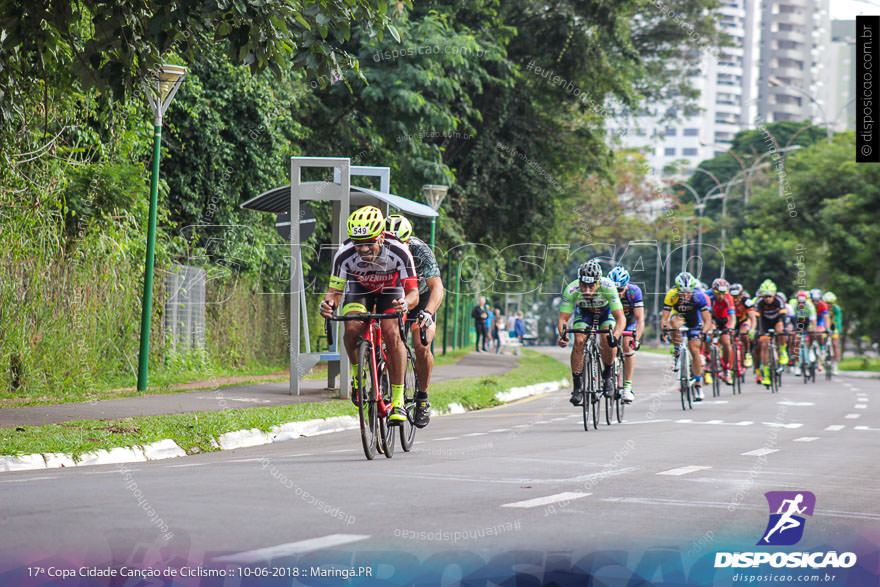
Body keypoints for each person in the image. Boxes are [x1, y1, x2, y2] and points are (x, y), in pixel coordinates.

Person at [319, 206, 419, 424]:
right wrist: (328, 304)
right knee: (352, 327)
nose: (362, 249)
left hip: (391, 291)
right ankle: (358, 378)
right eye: (357, 243)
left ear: (381, 237)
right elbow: (334, 292)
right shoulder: (344, 254)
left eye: (368, 243)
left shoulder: (400, 250)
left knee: (392, 333)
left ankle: (398, 401)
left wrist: (405, 303)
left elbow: (413, 293)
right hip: (359, 289)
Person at [384, 214, 444, 428]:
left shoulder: (420, 250)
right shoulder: (377, 249)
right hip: (394, 296)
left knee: (421, 343)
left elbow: (437, 287)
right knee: (387, 340)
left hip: (421, 299)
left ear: (408, 241)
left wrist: (428, 312)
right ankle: (383, 383)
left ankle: (422, 398)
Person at [557, 259, 625, 406]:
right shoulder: (571, 289)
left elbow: (620, 318)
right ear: (579, 282)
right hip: (584, 313)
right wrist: (563, 335)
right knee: (579, 340)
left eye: (591, 286)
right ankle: (577, 386)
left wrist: (616, 336)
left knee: (608, 338)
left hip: (606, 313)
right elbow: (563, 318)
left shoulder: (608, 287)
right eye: (584, 285)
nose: (587, 290)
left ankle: (607, 376)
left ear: (598, 283)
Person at [659, 271, 712, 401]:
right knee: (674, 323)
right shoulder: (671, 295)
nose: (685, 295)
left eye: (688, 292)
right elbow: (665, 318)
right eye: (682, 292)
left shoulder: (699, 296)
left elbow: (707, 321)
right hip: (679, 317)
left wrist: (704, 333)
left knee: (694, 350)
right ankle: (677, 351)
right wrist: (665, 330)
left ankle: (698, 384)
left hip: (694, 320)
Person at [608, 265, 643, 403]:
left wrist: (637, 339)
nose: (618, 293)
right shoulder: (606, 291)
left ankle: (627, 387)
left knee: (628, 345)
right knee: (608, 342)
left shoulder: (634, 292)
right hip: (614, 320)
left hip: (630, 322)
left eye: (621, 290)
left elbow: (640, 319)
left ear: (626, 285)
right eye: (615, 290)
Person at [753, 279, 789, 386]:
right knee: (764, 345)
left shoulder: (779, 299)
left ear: (774, 294)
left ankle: (782, 351)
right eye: (765, 296)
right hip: (764, 323)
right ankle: (766, 375)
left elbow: (783, 316)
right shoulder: (758, 301)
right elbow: (756, 318)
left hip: (776, 321)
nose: (767, 299)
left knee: (781, 329)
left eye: (770, 296)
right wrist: (756, 331)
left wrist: (786, 328)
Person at [707, 278, 735, 385]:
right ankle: (708, 359)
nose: (721, 296)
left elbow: (732, 316)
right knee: (709, 334)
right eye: (718, 293)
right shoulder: (708, 296)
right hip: (711, 318)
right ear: (713, 290)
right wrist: (709, 327)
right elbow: (706, 316)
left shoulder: (728, 297)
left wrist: (731, 328)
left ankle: (727, 369)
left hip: (724, 320)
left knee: (726, 343)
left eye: (723, 293)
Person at [788, 290, 817, 377]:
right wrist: (791, 330)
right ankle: (797, 364)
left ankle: (811, 348)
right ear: (797, 300)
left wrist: (813, 330)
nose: (801, 304)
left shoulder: (810, 306)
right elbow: (790, 321)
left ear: (806, 301)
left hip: (807, 323)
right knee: (796, 341)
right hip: (796, 324)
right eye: (799, 302)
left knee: (812, 333)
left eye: (803, 302)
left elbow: (813, 320)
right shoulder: (792, 306)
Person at [730, 283, 756, 369]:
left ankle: (747, 353)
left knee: (744, 334)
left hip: (744, 320)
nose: (735, 299)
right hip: (732, 320)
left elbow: (752, 318)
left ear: (741, 294)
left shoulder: (746, 301)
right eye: (733, 296)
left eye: (737, 296)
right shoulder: (728, 300)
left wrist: (752, 329)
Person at [809, 289, 830, 371]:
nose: (815, 302)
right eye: (813, 300)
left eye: (817, 300)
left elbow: (826, 318)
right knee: (810, 332)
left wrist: (827, 329)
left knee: (820, 333)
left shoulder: (824, 305)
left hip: (820, 320)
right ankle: (810, 350)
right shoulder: (809, 305)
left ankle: (822, 349)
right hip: (811, 320)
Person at [823, 291, 842, 374]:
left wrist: (837, 330)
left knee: (835, 344)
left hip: (834, 328)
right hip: (824, 327)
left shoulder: (836, 309)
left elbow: (838, 320)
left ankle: (835, 365)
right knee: (821, 341)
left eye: (831, 303)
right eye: (827, 303)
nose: (829, 305)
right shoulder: (823, 308)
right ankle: (821, 360)